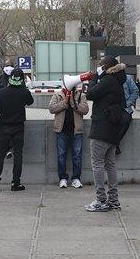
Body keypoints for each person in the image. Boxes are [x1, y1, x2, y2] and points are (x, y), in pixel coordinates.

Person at [84, 56, 130, 212]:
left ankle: (100, 200)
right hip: (112, 129)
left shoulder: (107, 81)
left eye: (100, 66)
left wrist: (94, 78)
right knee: (110, 164)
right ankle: (114, 200)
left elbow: (90, 94)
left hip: (101, 128)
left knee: (97, 164)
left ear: (105, 68)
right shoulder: (118, 80)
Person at [0, 68, 33, 191]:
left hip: (4, 128)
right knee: (18, 155)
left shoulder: (2, 93)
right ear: (22, 80)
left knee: (0, 155)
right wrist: (23, 88)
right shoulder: (24, 92)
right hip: (18, 128)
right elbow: (30, 101)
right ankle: (15, 183)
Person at [49, 77, 89, 188]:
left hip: (76, 130)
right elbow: (52, 108)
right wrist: (65, 103)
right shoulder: (57, 95)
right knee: (61, 156)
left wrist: (73, 103)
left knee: (77, 156)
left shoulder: (81, 95)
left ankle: (76, 178)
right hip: (61, 130)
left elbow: (85, 110)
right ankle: (62, 178)